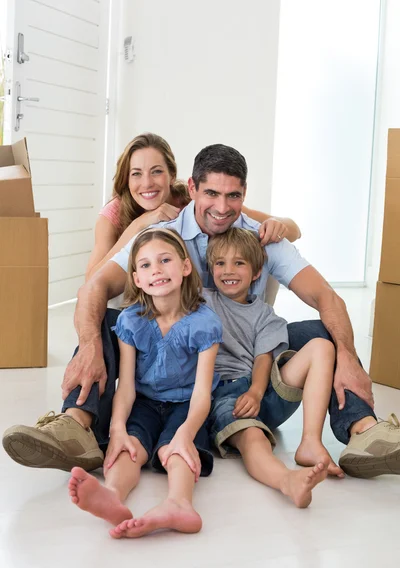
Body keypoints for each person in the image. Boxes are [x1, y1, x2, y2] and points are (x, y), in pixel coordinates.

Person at [3, 143, 399, 480]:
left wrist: (347, 356)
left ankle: (365, 431)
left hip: (246, 362)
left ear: (245, 194)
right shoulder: (162, 237)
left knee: (323, 331)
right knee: (108, 323)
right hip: (178, 371)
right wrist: (89, 345)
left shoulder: (260, 239)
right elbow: (94, 288)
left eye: (234, 196)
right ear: (191, 188)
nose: (222, 208)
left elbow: (329, 298)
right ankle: (75, 426)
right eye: (211, 194)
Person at [69, 228, 222, 538]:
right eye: (146, 265)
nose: (157, 270)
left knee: (177, 450)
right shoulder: (131, 320)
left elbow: (203, 392)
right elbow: (126, 385)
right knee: (129, 447)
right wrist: (118, 428)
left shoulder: (205, 323)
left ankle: (179, 504)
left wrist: (186, 432)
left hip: (187, 404)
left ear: (185, 267)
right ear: (137, 279)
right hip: (144, 401)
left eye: (165, 260)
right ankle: (111, 493)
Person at [204, 228, 341, 508]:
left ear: (256, 273)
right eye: (220, 263)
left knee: (322, 346)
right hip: (226, 396)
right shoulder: (202, 301)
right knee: (254, 439)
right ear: (210, 269)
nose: (228, 270)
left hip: (262, 390)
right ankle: (286, 481)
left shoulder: (266, 315)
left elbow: (263, 359)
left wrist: (256, 392)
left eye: (239, 263)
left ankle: (310, 442)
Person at [85, 132, 301, 280]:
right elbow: (91, 280)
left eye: (157, 171)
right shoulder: (113, 213)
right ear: (126, 178)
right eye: (136, 174)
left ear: (171, 174)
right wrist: (140, 224)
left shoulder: (196, 200)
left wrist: (274, 225)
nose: (147, 183)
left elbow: (294, 230)